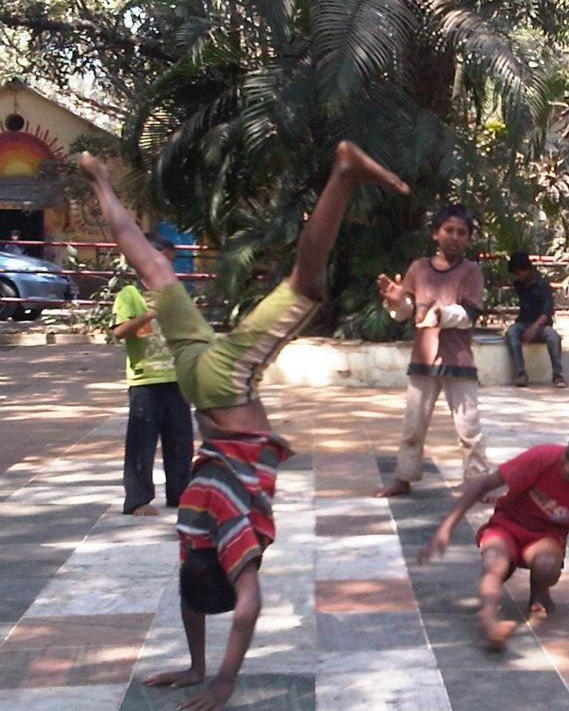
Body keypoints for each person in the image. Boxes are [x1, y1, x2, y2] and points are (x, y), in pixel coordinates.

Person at [81, 142, 409, 711]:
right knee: (151, 263)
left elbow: (249, 604)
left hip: (227, 385)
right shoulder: (191, 529)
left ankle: (344, 173)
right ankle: (99, 180)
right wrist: (197, 669)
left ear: (227, 572)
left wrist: (224, 681)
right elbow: (191, 598)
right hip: (192, 377)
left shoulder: (234, 538)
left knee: (306, 286)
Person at [417, 413, 569, 648]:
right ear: (568, 444)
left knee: (547, 566)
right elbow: (482, 485)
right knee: (495, 564)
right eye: (568, 458)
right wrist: (446, 528)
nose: (568, 469)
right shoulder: (542, 458)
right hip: (505, 527)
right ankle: (488, 619)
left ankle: (538, 591)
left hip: (546, 539)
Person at [375, 204, 492, 498]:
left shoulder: (471, 271)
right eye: (448, 230)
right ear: (435, 234)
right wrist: (395, 302)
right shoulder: (418, 268)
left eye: (461, 233)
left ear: (468, 238)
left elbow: (470, 313)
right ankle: (403, 477)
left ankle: (477, 482)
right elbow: (407, 312)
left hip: (459, 362)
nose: (454, 237)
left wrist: (442, 315)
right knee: (413, 425)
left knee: (469, 428)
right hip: (423, 360)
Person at [112, 232, 193, 516]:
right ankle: (137, 499)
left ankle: (181, 494)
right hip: (146, 381)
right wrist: (147, 315)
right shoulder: (130, 295)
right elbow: (119, 332)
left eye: (170, 262)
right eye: (162, 261)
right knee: (141, 443)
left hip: (177, 379)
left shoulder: (174, 292)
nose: (167, 267)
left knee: (181, 441)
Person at [504, 251, 566, 388]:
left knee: (553, 337)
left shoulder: (543, 285)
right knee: (511, 332)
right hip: (523, 323)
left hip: (541, 326)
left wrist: (535, 327)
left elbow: (547, 311)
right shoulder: (519, 285)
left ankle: (558, 375)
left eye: (520, 273)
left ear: (528, 270)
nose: (518, 277)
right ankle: (520, 373)